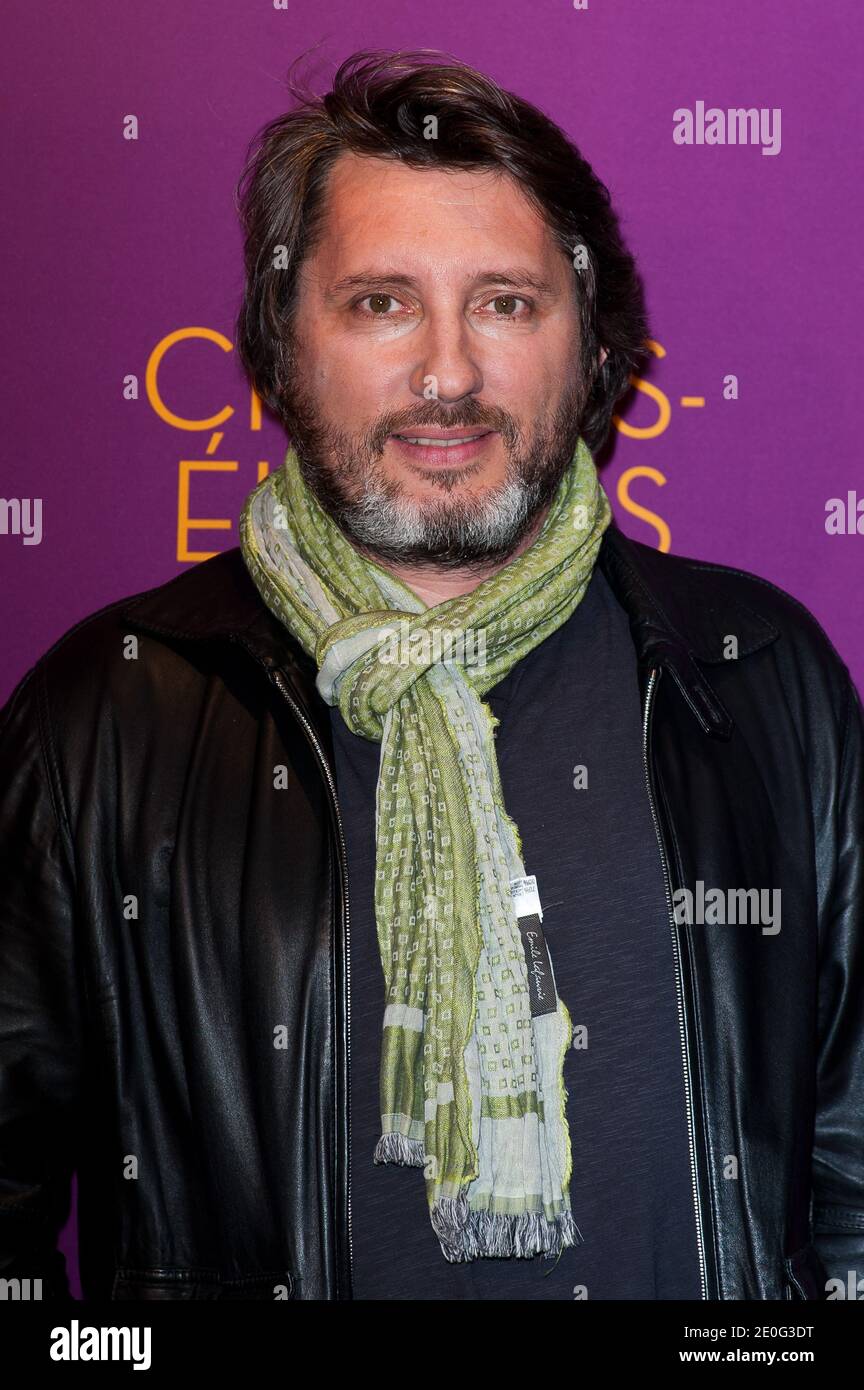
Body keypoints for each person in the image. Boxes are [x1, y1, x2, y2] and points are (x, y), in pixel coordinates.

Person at [1, 49, 861, 1303]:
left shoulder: (759, 673)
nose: (448, 374)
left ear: (595, 347)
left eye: (507, 303)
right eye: (381, 303)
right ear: (281, 348)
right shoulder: (109, 713)